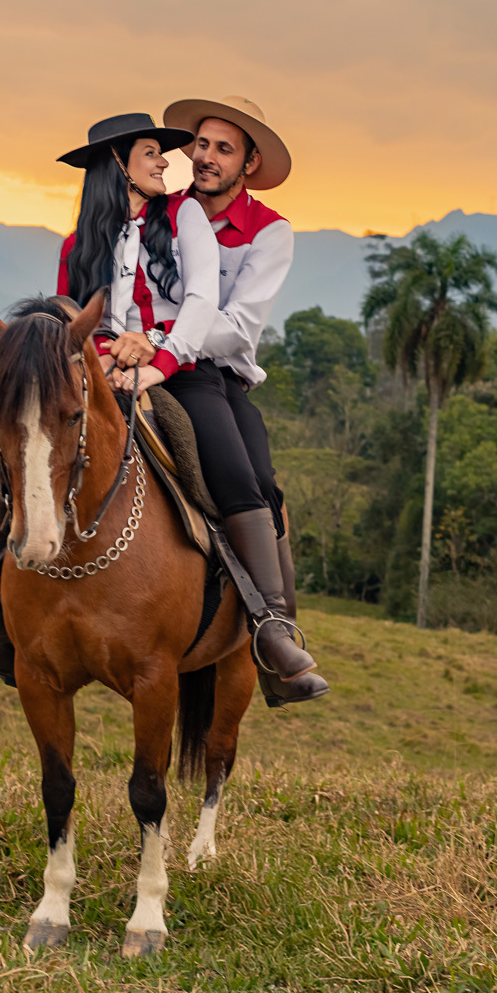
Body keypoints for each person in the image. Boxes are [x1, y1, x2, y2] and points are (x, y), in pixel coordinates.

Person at [0, 110, 212, 676]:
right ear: (117, 163)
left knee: (226, 464)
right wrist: (96, 357)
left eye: (163, 153)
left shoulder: (186, 216)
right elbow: (64, 325)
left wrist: (153, 347)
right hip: (96, 377)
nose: (165, 161)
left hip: (174, 369)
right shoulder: (77, 244)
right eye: (151, 151)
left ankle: (263, 614)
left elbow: (201, 302)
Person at [155, 94, 330, 707]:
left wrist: (168, 337)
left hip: (215, 374)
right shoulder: (163, 212)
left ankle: (275, 632)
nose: (205, 158)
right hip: (146, 362)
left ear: (248, 164)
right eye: (201, 144)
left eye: (223, 149)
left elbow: (238, 324)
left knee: (254, 481)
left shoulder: (269, 232)